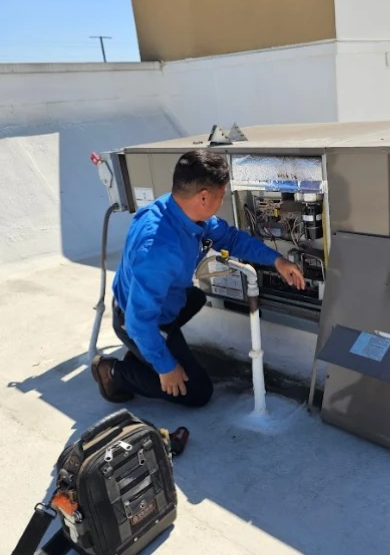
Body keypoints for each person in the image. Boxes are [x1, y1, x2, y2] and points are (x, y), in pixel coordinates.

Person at [91, 149, 305, 407]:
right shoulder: (158, 250)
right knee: (197, 392)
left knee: (195, 297)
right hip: (136, 319)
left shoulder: (180, 211)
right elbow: (139, 321)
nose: (221, 200)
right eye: (221, 195)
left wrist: (277, 260)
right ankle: (113, 371)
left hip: (158, 304)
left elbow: (231, 238)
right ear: (204, 197)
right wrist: (165, 366)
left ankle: (144, 352)